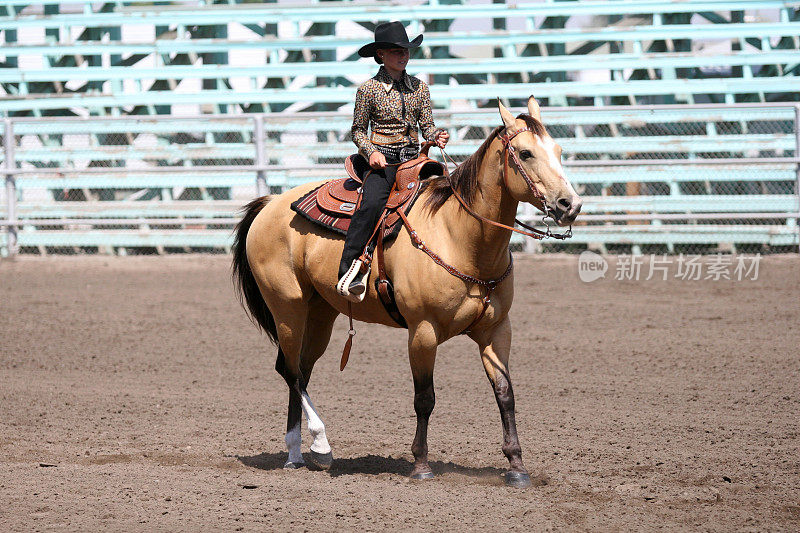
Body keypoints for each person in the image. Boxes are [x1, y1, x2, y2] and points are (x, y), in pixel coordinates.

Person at [336, 21, 449, 301]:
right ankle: (348, 271)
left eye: (406, 51)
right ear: (381, 55)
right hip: (382, 162)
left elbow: (427, 126)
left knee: (447, 196)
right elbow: (358, 130)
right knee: (371, 205)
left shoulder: (420, 88)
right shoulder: (368, 90)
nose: (403, 56)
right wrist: (370, 151)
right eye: (396, 51)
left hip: (415, 160)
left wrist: (437, 136)